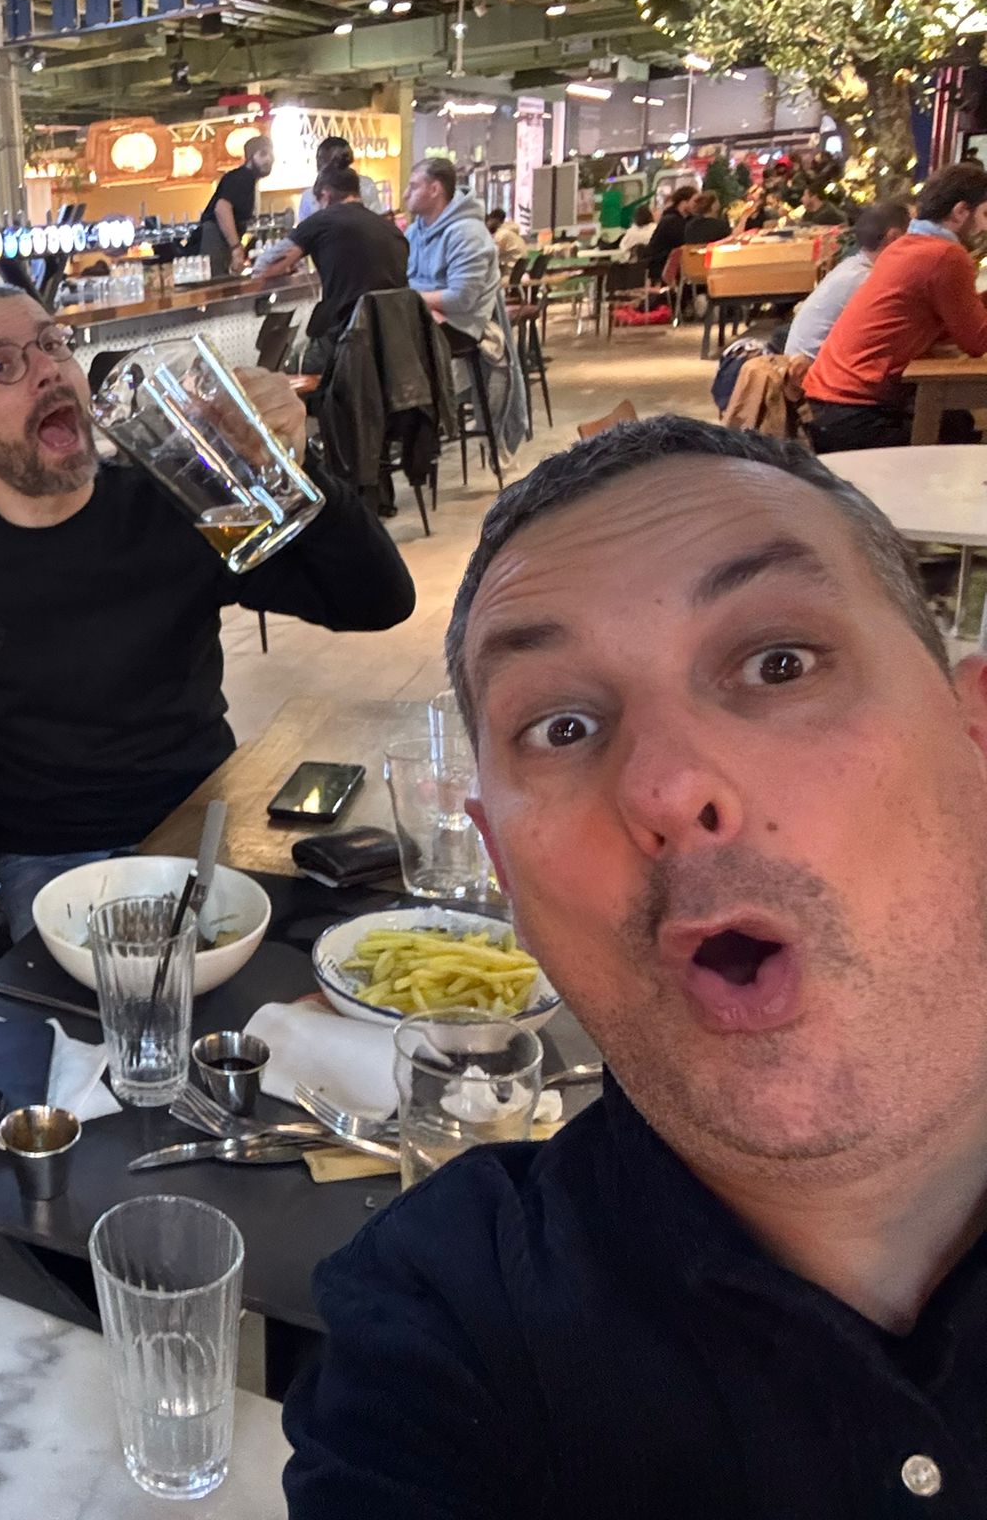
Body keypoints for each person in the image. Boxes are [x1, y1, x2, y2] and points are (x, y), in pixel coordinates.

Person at [284, 415, 987, 1518]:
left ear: (974, 733)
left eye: (776, 663)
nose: (663, 786)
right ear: (502, 870)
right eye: (563, 727)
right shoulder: (443, 1327)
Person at [0, 283, 415, 937]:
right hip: (53, 856)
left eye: (53, 344)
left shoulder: (170, 501)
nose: (47, 369)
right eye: (2, 365)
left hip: (205, 820)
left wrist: (293, 458)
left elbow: (376, 602)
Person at [803, 162, 987, 451]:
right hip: (858, 412)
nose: (984, 226)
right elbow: (978, 341)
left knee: (958, 421)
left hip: (827, 403)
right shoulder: (946, 256)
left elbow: (948, 322)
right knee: (963, 434)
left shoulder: (905, 246)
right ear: (961, 211)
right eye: (985, 214)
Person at [252, 164, 411, 380]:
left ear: (325, 195)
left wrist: (286, 266)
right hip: (393, 345)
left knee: (284, 369)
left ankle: (316, 413)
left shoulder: (321, 221)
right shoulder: (392, 230)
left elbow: (263, 268)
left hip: (343, 338)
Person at [782, 200, 910, 361]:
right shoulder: (865, 279)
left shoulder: (852, 266)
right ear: (894, 237)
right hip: (811, 373)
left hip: (805, 364)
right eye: (913, 234)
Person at [403, 157, 502, 353]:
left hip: (460, 327)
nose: (406, 195)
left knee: (382, 347)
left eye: (413, 187)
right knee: (365, 334)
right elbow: (401, 281)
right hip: (424, 317)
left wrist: (409, 299)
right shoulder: (414, 231)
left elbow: (461, 299)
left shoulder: (467, 233)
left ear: (434, 190)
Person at [198, 135, 273, 277]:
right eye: (263, 154)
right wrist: (236, 247)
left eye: (271, 154)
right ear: (250, 158)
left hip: (218, 242)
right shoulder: (242, 177)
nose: (269, 159)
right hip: (214, 242)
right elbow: (222, 208)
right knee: (217, 289)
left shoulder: (247, 179)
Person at [291, 135, 386, 223]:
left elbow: (303, 235)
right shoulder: (367, 184)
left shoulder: (366, 186)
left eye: (321, 159)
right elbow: (378, 221)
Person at [643, 185, 697, 285]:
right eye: (694, 201)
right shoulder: (671, 221)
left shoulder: (682, 220)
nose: (697, 205)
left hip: (667, 267)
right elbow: (685, 243)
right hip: (661, 268)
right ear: (684, 202)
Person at [486, 207, 528, 276]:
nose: (487, 225)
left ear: (494, 219)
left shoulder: (502, 234)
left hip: (510, 271)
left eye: (488, 221)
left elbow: (492, 253)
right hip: (517, 271)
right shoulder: (511, 233)